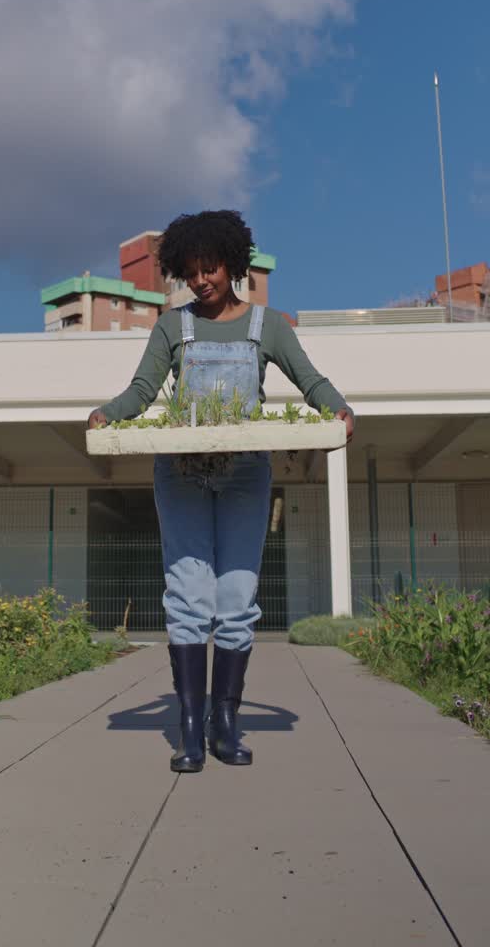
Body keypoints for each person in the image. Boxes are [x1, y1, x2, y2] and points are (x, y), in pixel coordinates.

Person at [88, 210, 353, 774]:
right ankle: (190, 728)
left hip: (245, 476)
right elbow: (142, 390)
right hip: (180, 473)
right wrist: (108, 413)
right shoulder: (172, 327)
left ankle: (225, 722)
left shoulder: (268, 326)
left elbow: (309, 379)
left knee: (236, 598)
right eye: (190, 272)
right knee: (188, 596)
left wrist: (338, 408)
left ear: (232, 264)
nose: (201, 280)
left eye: (209, 268)